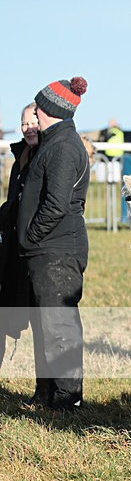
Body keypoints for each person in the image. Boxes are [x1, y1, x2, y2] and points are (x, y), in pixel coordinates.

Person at [18, 76, 90, 410]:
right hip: (46, 250)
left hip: (56, 250)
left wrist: (31, 236)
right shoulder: (52, 142)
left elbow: (56, 203)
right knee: (46, 325)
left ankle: (67, 399)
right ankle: (47, 393)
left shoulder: (62, 147)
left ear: (47, 109)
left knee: (59, 325)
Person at [0, 103, 38, 364]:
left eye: (32, 122)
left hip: (36, 248)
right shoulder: (20, 157)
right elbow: (13, 202)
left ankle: (47, 387)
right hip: (12, 247)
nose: (27, 129)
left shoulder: (49, 156)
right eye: (23, 124)